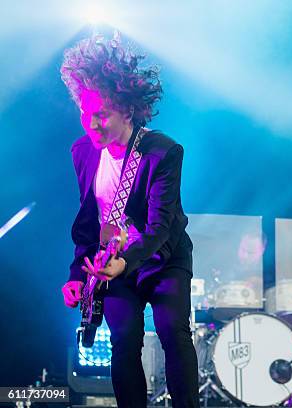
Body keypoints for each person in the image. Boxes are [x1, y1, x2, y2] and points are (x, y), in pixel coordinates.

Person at [60, 35, 199, 407]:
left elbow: (159, 227)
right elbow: (88, 222)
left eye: (102, 113)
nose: (92, 123)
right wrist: (77, 275)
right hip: (113, 265)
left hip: (163, 258)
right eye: (85, 112)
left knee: (173, 331)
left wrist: (126, 260)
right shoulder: (83, 151)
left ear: (127, 110)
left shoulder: (162, 152)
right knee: (124, 340)